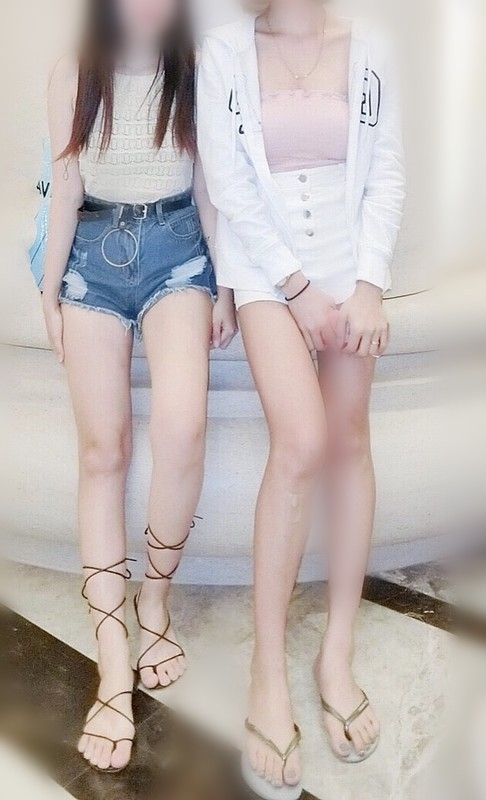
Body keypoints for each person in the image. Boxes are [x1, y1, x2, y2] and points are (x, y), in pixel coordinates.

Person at [198, 1, 405, 797]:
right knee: (302, 442)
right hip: (265, 272)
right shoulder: (226, 50)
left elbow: (385, 173)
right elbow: (229, 183)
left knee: (350, 442)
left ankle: (336, 652)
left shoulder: (369, 46)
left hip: (349, 268)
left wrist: (369, 284)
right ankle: (266, 666)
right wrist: (296, 288)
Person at [43, 0, 237, 774]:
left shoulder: (197, 72)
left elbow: (212, 189)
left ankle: (154, 596)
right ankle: (113, 657)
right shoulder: (73, 73)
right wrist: (49, 293)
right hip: (93, 258)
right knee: (103, 452)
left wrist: (224, 288)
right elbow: (64, 187)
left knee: (183, 426)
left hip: (179, 250)